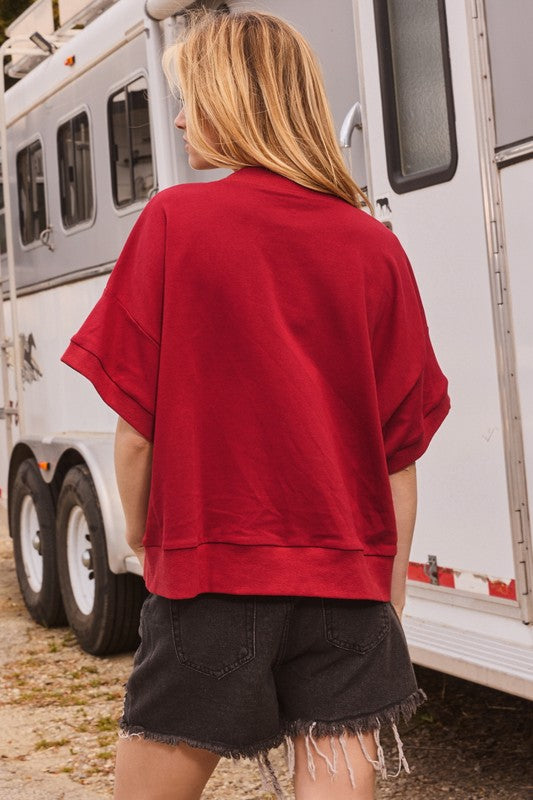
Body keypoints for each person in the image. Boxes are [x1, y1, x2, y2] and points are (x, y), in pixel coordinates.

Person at [61, 9, 450, 800]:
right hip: (346, 587)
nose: (178, 119)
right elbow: (397, 458)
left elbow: (135, 434)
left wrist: (140, 536)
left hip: (213, 578)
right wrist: (387, 594)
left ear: (236, 102)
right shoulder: (374, 245)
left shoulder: (175, 222)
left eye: (190, 99)